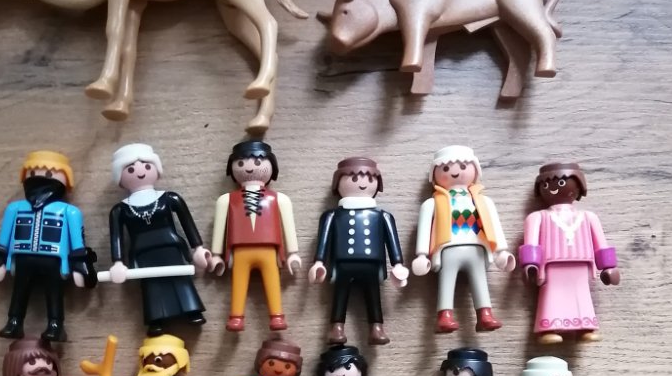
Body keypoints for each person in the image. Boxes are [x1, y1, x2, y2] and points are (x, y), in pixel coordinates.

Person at [0, 150, 96, 342]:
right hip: (22, 258)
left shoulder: (69, 212)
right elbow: (4, 237)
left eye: (50, 174)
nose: (40, 179)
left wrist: (81, 266)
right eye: (33, 173)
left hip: (54, 261)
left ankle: (56, 325)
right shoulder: (14, 208)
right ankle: (14, 322)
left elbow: (77, 242)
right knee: (19, 291)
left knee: (55, 292)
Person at [108, 142, 210, 334]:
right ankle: (157, 319)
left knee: (181, 279)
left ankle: (192, 310)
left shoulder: (170, 198)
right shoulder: (120, 210)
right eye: (131, 169)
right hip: (142, 253)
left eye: (147, 166)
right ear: (120, 177)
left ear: (156, 169)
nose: (140, 172)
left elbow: (187, 223)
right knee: (151, 286)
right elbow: (117, 237)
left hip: (171, 247)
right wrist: (118, 263)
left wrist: (198, 248)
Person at [412, 145, 513, 333]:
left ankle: (485, 315)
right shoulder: (432, 203)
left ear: (475, 170)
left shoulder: (483, 201)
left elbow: (495, 225)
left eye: (463, 167)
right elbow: (424, 228)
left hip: (477, 247)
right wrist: (421, 254)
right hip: (447, 248)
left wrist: (501, 250)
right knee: (447, 281)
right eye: (446, 168)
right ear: (434, 174)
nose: (455, 172)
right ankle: (444, 316)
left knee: (480, 280)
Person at [309, 157, 407, 345]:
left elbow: (392, 240)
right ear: (337, 183)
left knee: (374, 295)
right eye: (353, 179)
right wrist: (318, 262)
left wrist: (398, 264)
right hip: (342, 263)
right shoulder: (332, 215)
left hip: (372, 264)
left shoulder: (383, 216)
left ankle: (376, 328)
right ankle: (336, 328)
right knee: (340, 294)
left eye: (369, 179)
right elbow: (323, 239)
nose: (362, 184)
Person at [520, 163, 619, 343]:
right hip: (551, 265)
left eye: (561, 183)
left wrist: (608, 266)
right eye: (546, 184)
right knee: (552, 295)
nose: (553, 188)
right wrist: (530, 264)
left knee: (581, 294)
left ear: (579, 186)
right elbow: (531, 243)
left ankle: (586, 327)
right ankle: (549, 328)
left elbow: (601, 243)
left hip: (581, 264)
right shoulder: (537, 217)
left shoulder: (588, 217)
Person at [210, 139, 300, 332]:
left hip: (269, 249)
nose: (249, 168)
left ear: (272, 166)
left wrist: (293, 252)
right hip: (239, 250)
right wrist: (216, 254)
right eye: (241, 163)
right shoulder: (226, 200)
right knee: (238, 282)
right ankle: (236, 317)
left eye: (258, 162)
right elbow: (219, 227)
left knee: (273, 281)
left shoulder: (279, 199)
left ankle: (277, 316)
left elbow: (288, 225)